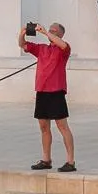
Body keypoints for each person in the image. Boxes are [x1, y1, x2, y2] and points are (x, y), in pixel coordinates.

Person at [22, 22, 76, 172]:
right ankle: (46, 159)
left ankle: (70, 161)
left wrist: (46, 32)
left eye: (54, 30)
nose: (50, 32)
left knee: (62, 126)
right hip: (42, 91)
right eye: (50, 29)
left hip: (56, 92)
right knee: (44, 127)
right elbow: (23, 45)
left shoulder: (63, 49)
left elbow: (63, 45)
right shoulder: (42, 49)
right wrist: (23, 32)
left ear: (60, 34)